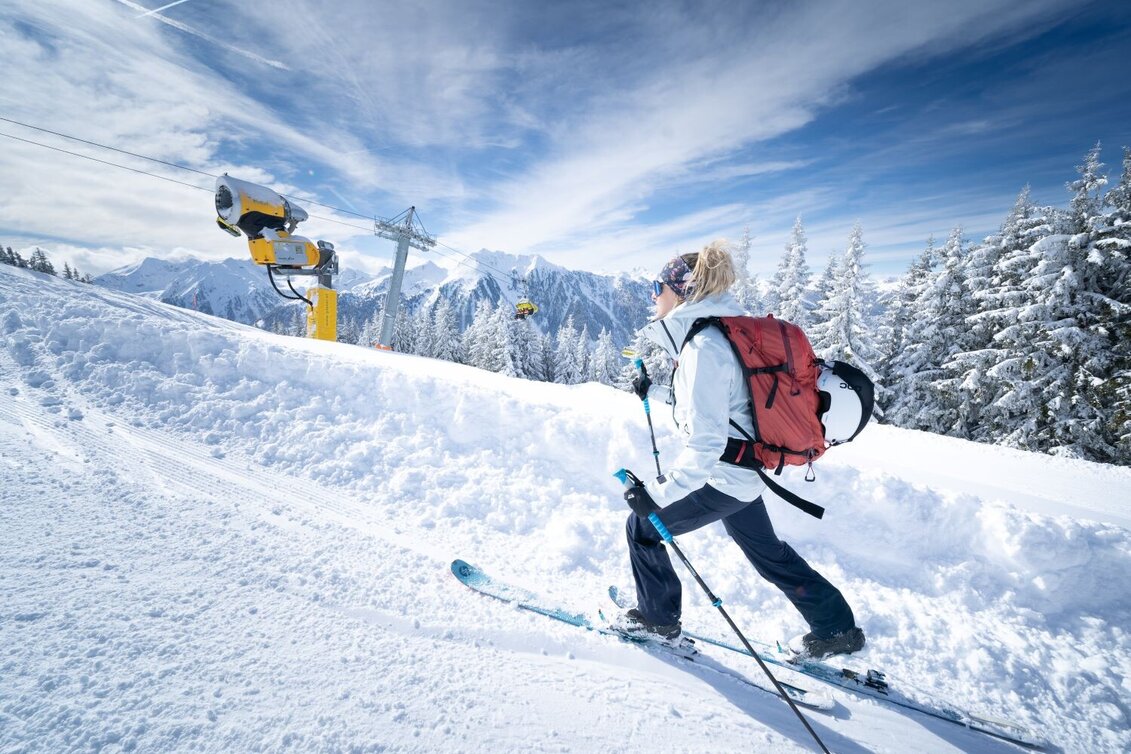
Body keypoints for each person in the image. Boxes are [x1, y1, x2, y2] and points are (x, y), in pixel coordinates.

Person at [615, 241, 865, 660]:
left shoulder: (703, 348)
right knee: (770, 554)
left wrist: (656, 495)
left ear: (682, 291)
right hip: (743, 477)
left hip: (724, 479)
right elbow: (722, 409)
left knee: (642, 529)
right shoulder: (722, 333)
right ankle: (836, 628)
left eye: (657, 287)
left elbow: (707, 442)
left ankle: (659, 622)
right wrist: (654, 391)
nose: (653, 296)